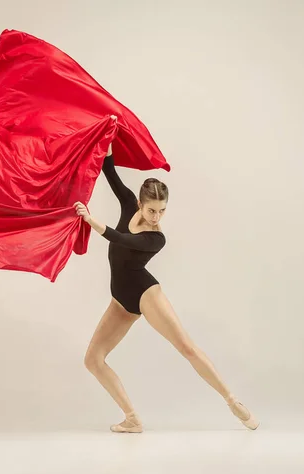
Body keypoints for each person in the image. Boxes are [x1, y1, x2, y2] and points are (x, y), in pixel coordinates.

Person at [73, 140, 259, 433]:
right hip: (120, 300)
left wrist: (91, 220)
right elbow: (108, 172)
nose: (156, 217)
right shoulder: (127, 205)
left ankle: (231, 400)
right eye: (152, 210)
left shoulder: (156, 239)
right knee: (93, 359)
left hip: (147, 294)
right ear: (140, 204)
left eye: (161, 211)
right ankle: (132, 418)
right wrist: (107, 138)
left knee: (185, 347)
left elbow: (123, 240)